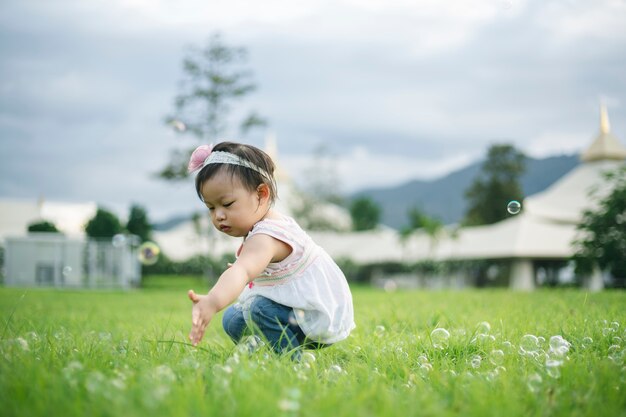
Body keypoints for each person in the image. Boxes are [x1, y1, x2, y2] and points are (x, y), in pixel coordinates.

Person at [186, 141, 355, 359]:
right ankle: (262, 350)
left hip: (312, 318)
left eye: (227, 204)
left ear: (262, 194)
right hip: (292, 309)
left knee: (258, 309)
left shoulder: (267, 235)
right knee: (232, 318)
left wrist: (212, 300)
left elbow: (242, 271)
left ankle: (292, 361)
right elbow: (250, 268)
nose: (218, 215)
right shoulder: (259, 228)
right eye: (211, 208)